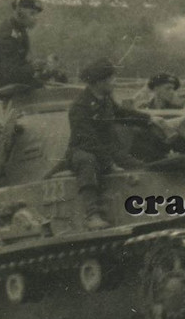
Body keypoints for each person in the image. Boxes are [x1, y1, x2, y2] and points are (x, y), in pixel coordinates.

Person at [66, 58, 154, 230]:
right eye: (111, 79)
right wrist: (110, 164)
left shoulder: (104, 99)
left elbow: (121, 113)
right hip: (82, 151)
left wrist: (149, 119)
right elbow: (88, 140)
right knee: (87, 162)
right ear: (100, 82)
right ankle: (92, 215)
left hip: (106, 150)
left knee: (137, 165)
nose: (114, 82)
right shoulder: (80, 107)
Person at [0, 0, 43, 93]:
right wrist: (33, 67)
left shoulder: (19, 30)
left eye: (36, 14)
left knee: (43, 88)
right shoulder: (8, 34)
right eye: (32, 14)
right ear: (20, 13)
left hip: (7, 80)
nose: (35, 18)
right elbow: (11, 73)